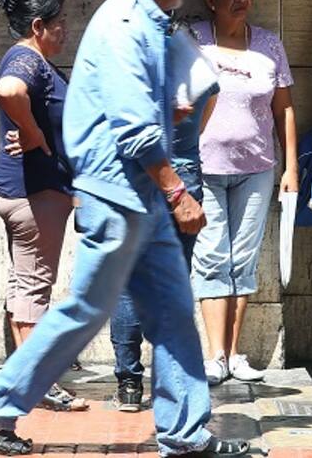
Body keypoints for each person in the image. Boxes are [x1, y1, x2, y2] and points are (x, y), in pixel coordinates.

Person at [0, 0, 252, 458]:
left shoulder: (150, 23)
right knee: (87, 310)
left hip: (140, 196)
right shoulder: (122, 25)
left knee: (172, 311)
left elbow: (156, 106)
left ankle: (185, 433)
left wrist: (172, 112)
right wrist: (178, 191)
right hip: (118, 195)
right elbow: (133, 129)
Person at [189, 0, 297, 385]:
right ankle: (214, 355)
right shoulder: (194, 39)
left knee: (244, 260)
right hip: (204, 169)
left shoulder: (268, 44)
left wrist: (291, 167)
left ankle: (234, 355)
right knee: (213, 257)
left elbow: (284, 109)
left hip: (257, 169)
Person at [109, 24, 218, 411]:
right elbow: (202, 120)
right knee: (173, 284)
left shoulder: (137, 77)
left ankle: (128, 382)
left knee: (127, 283)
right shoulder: (199, 73)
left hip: (139, 181)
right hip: (185, 178)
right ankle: (170, 382)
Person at [0, 0, 81, 411]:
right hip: (34, 194)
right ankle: (36, 382)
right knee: (34, 286)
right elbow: (9, 90)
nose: (67, 28)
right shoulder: (26, 58)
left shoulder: (34, 60)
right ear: (39, 25)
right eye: (60, 21)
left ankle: (26, 376)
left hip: (32, 191)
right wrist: (33, 133)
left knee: (25, 283)